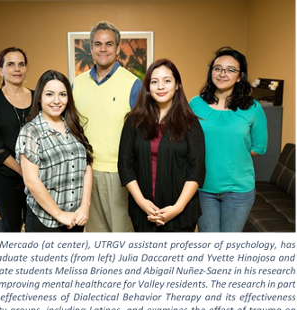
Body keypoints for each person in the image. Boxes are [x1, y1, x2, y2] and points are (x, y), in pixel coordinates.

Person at [118, 59, 206, 234]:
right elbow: (125, 165)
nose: (160, 86)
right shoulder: (133, 121)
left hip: (181, 212)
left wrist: (177, 208)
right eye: (154, 81)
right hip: (143, 212)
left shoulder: (191, 123)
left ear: (177, 86)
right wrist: (142, 203)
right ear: (148, 88)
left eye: (167, 80)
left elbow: (196, 169)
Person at [72, 20, 142, 234]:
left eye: (109, 44)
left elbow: (142, 132)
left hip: (118, 172)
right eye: (98, 44)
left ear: (117, 48)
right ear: (91, 48)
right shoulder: (77, 83)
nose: (103, 49)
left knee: (122, 232)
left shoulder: (134, 84)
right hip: (85, 170)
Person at [189, 46, 268, 234]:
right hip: (202, 188)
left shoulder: (253, 107)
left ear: (240, 76)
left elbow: (259, 147)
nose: (222, 74)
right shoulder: (195, 104)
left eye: (231, 70)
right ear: (211, 72)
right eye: (218, 68)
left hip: (239, 191)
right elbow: (186, 143)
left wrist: (229, 154)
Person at [15, 70, 93, 234]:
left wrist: (85, 207)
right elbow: (31, 181)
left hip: (75, 217)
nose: (57, 101)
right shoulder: (31, 131)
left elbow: (86, 167)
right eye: (50, 94)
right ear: (40, 97)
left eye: (62, 94)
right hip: (45, 221)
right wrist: (59, 214)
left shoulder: (73, 127)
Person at [0, 47, 33, 233]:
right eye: (10, 64)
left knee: (36, 225)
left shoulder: (38, 98)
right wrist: (24, 172)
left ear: (26, 69)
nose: (17, 68)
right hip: (4, 176)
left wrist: (33, 174)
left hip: (36, 175)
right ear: (0, 71)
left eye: (21, 64)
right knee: (12, 227)